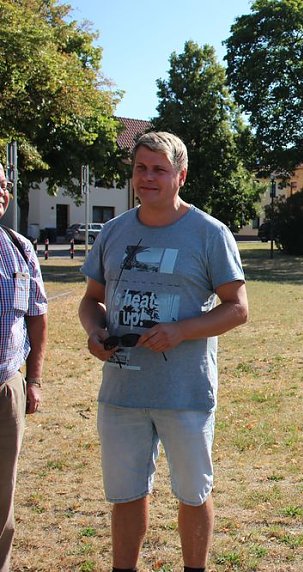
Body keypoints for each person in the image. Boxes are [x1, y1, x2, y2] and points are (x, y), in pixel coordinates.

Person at [78, 132, 249, 572]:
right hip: (122, 392)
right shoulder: (114, 232)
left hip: (185, 393)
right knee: (126, 493)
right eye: (141, 168)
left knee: (193, 492)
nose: (148, 177)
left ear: (181, 175)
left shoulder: (209, 234)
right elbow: (91, 298)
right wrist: (95, 331)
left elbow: (237, 309)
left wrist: (181, 331)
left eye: (159, 169)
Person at [0, 163, 47, 571]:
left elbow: (36, 315)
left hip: (6, 387)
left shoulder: (19, 247)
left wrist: (32, 379)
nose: (1, 192)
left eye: (4, 185)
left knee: (2, 491)